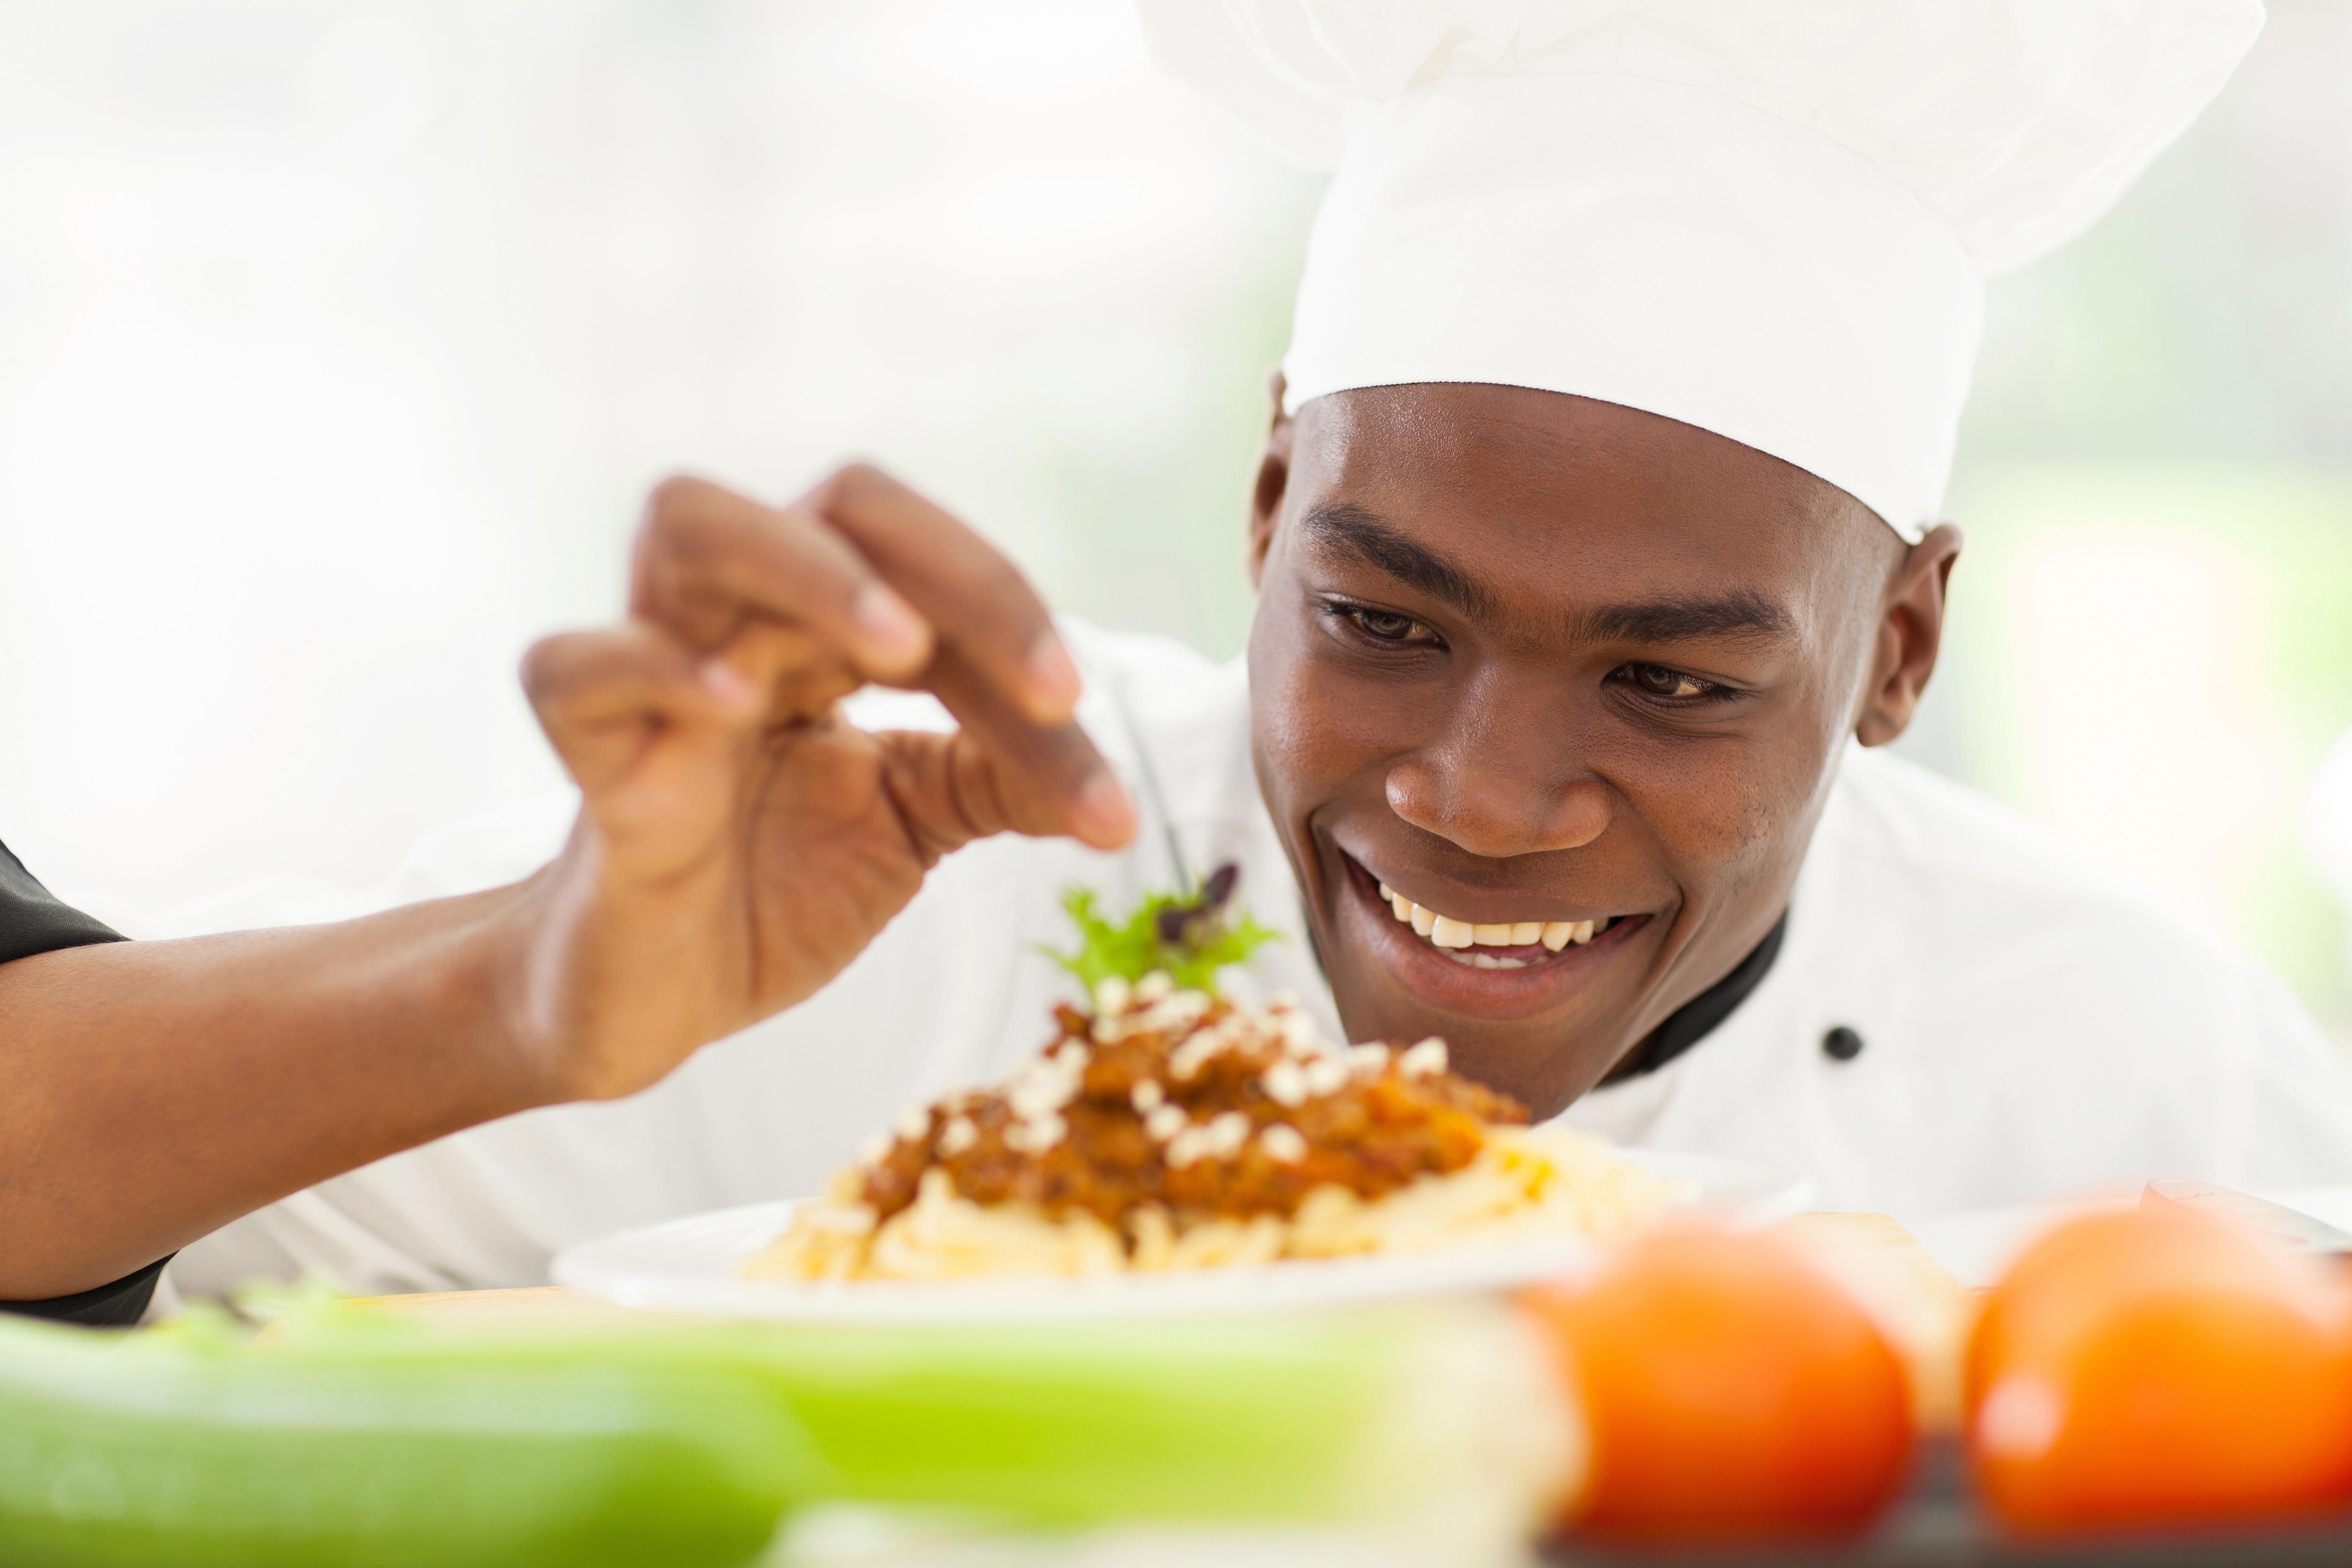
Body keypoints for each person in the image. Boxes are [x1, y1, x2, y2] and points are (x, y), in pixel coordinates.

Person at [14, 0, 2352, 1317]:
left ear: (1903, 644)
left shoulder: (2146, 1082)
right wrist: (528, 981)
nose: (1482, 793)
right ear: (1262, 515)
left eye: (1671, 683)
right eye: (1381, 619)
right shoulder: (890, 908)